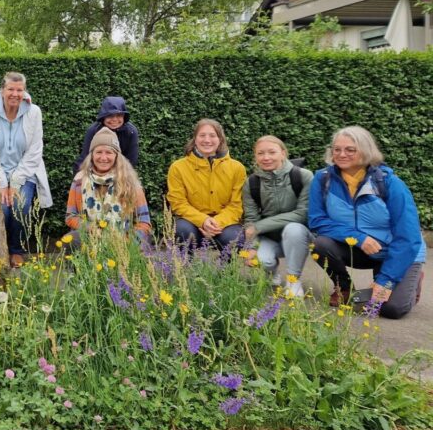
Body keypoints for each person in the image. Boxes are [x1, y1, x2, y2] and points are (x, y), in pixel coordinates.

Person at [308, 126, 425, 317]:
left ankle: (410, 281)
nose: (341, 154)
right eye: (336, 149)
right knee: (320, 244)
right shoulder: (322, 179)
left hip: (396, 252)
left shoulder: (389, 183)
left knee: (391, 309)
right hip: (360, 248)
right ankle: (344, 289)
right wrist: (359, 238)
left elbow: (408, 236)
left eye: (350, 149)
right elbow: (317, 221)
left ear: (365, 151)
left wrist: (386, 280)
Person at [241, 136, 313, 298]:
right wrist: (251, 246)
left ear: (283, 153)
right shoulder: (251, 183)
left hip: (298, 235)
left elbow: (302, 214)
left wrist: (260, 226)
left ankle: (293, 280)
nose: (266, 157)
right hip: (271, 237)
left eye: (272, 152)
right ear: (256, 157)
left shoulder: (303, 176)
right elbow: (251, 218)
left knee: (293, 229)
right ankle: (271, 273)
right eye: (260, 153)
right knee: (263, 260)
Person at [0, 73, 52, 267]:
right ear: (2, 90)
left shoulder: (33, 112)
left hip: (25, 173)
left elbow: (35, 151)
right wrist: (3, 183)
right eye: (11, 89)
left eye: (19, 90)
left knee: (20, 206)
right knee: (2, 207)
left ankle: (16, 250)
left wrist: (16, 182)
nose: (15, 94)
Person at [166, 118, 246, 255]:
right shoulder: (178, 167)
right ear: (195, 139)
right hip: (191, 223)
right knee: (182, 230)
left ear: (220, 139)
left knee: (234, 238)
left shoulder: (237, 168)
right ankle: (186, 272)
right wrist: (203, 221)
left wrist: (216, 222)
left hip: (224, 224)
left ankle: (226, 275)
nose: (207, 140)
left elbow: (237, 205)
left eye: (212, 135)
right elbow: (178, 203)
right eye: (202, 135)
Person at [65, 127, 150, 246]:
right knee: (71, 239)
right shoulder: (79, 180)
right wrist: (90, 228)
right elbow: (71, 216)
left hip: (122, 241)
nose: (103, 158)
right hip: (91, 238)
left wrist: (127, 242)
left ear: (116, 156)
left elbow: (144, 222)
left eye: (109, 152)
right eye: (99, 152)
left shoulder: (130, 182)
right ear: (92, 155)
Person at [74, 96, 139, 171]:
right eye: (110, 115)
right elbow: (85, 157)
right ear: (103, 116)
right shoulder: (93, 130)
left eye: (119, 115)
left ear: (124, 116)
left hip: (120, 171)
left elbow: (131, 161)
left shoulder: (131, 131)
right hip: (95, 171)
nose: (114, 119)